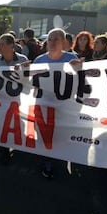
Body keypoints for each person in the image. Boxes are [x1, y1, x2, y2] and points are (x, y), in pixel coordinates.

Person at [33, 28, 81, 178]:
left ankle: (55, 157)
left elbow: (82, 82)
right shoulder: (39, 60)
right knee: (43, 134)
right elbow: (32, 82)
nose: (52, 42)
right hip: (43, 104)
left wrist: (79, 69)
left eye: (56, 39)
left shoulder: (72, 59)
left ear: (63, 42)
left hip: (64, 106)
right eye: (50, 39)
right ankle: (46, 159)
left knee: (59, 134)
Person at [0, 33, 30, 164]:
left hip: (16, 100)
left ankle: (18, 148)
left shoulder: (22, 59)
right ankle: (4, 152)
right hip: (0, 100)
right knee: (1, 126)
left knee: (17, 124)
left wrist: (22, 72)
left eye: (1, 44)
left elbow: (28, 82)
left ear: (11, 45)